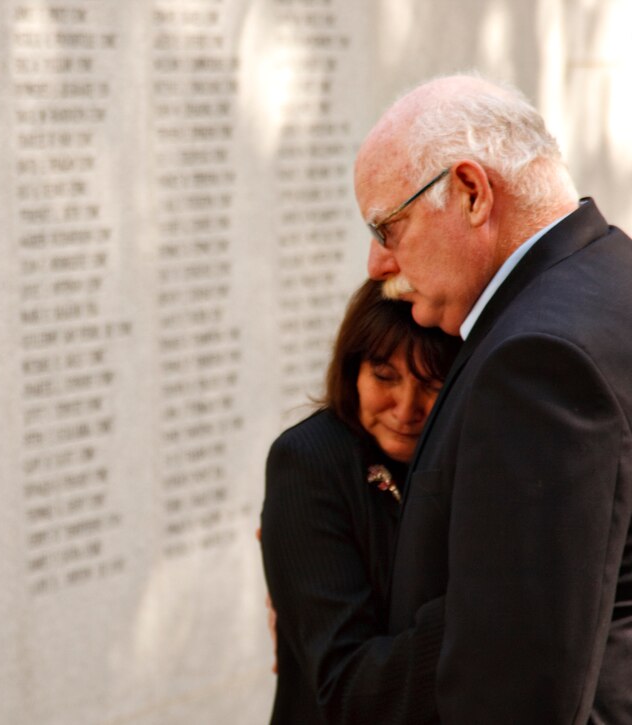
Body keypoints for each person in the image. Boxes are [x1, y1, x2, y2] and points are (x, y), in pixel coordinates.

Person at [358, 74, 632, 722]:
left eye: (387, 227)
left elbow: (517, 686)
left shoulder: (537, 361)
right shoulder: (612, 277)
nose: (376, 263)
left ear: (472, 193)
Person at [260, 279, 460, 724]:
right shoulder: (309, 462)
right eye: (384, 377)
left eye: (432, 384)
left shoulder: (471, 458)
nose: (406, 408)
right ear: (352, 370)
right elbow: (348, 685)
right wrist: (485, 604)